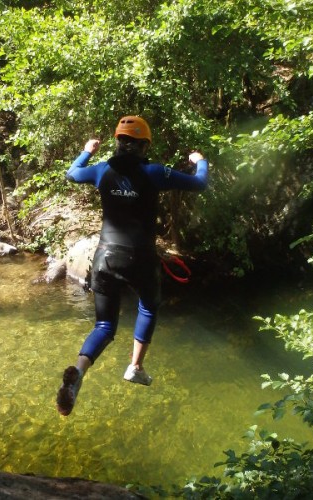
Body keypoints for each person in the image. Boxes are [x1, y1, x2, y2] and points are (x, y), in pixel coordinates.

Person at [56, 115, 209, 416]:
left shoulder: (101, 171)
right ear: (144, 145)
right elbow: (200, 183)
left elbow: (72, 173)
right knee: (149, 307)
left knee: (104, 325)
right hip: (140, 257)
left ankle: (79, 372)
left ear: (117, 142)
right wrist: (200, 160)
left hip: (105, 257)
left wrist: (87, 150)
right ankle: (135, 366)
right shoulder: (154, 173)